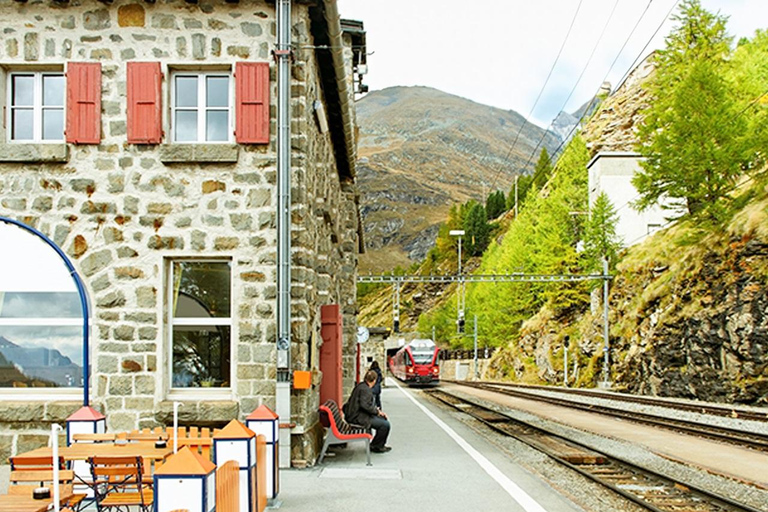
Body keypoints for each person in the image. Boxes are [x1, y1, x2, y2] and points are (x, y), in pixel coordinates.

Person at [344, 369, 391, 453]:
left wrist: (376, 411)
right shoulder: (366, 390)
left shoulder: (361, 386)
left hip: (356, 414)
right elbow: (365, 405)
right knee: (385, 424)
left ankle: (377, 444)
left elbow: (365, 404)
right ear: (374, 380)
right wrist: (377, 412)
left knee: (382, 421)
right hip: (358, 417)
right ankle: (377, 446)